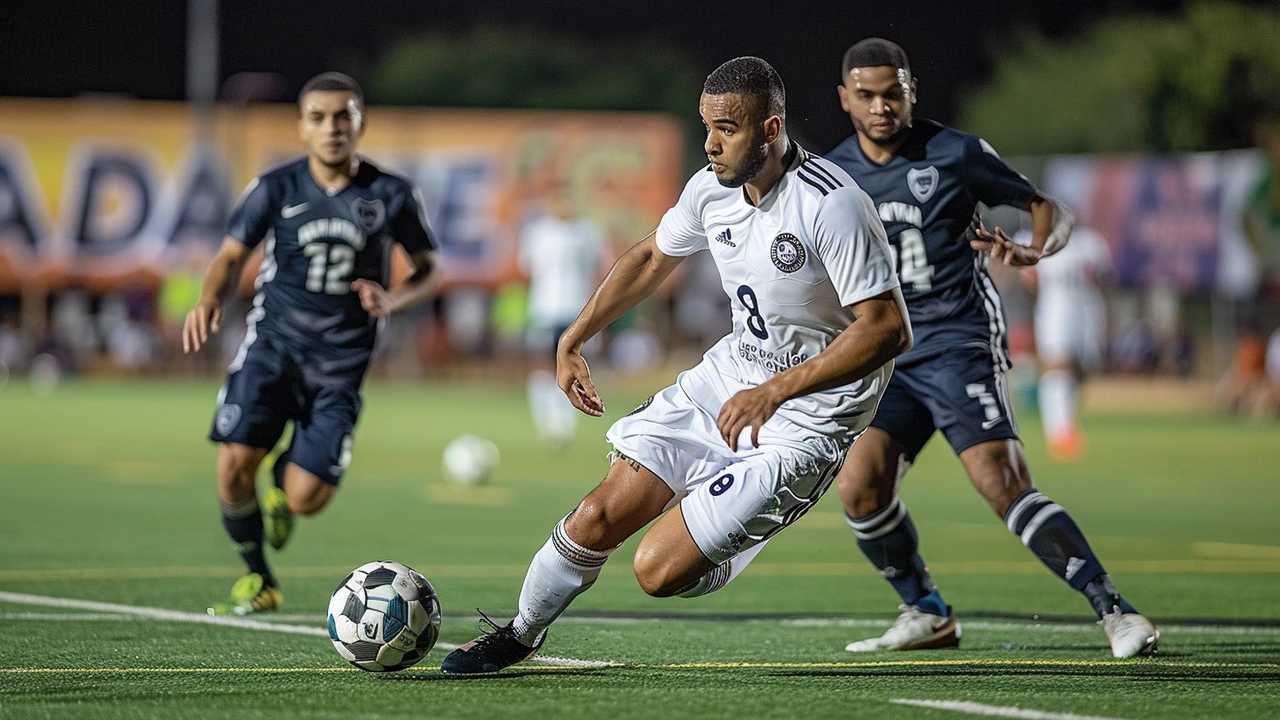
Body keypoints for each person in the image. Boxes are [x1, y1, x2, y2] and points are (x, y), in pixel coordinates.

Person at [440, 56, 910, 674]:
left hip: (807, 423)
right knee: (595, 516)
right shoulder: (709, 189)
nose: (710, 144)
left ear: (770, 130)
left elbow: (887, 329)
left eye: (727, 129)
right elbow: (650, 259)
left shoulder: (831, 206)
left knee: (656, 571)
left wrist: (775, 391)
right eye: (706, 126)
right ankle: (522, 631)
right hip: (724, 385)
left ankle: (736, 526)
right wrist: (573, 338)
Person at [824, 39, 1157, 658]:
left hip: (958, 339)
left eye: (892, 93)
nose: (880, 107)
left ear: (911, 90)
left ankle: (1115, 611)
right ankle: (926, 612)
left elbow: (1047, 208)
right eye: (865, 95)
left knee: (1000, 481)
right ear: (844, 98)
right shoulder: (831, 175)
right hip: (887, 351)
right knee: (859, 488)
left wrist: (1037, 248)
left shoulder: (956, 152)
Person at [182, 72, 441, 615]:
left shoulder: (390, 193)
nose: (332, 128)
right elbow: (230, 257)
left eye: (343, 116)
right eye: (319, 117)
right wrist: (209, 298)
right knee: (231, 466)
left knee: (306, 499)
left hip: (341, 364)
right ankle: (259, 579)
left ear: (360, 124)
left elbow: (429, 270)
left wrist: (391, 300)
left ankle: (283, 484)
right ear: (301, 127)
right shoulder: (275, 187)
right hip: (273, 347)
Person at [1014, 224, 1113, 460]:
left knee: (1082, 369)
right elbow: (1028, 277)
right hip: (1056, 305)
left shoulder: (1091, 241)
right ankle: (1060, 432)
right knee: (1058, 364)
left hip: (1088, 307)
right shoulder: (1036, 238)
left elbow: (1106, 275)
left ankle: (1067, 423)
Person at [518, 182, 605, 447]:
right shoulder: (537, 232)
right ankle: (546, 420)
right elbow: (527, 269)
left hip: (577, 309)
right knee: (542, 365)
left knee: (575, 365)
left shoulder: (588, 233)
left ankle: (565, 423)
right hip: (545, 309)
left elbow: (598, 268)